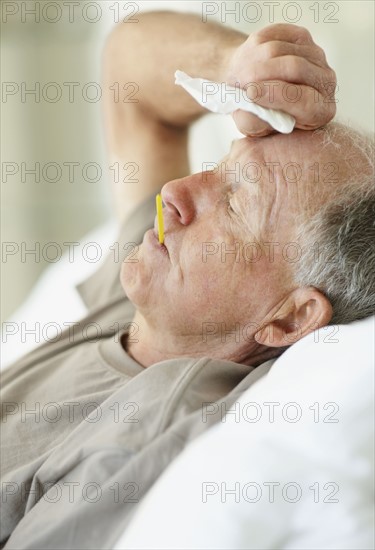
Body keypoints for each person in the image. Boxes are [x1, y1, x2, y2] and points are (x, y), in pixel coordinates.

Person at [1, 11, 374, 550]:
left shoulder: (139, 437)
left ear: (289, 317)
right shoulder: (156, 301)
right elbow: (131, 79)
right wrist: (236, 68)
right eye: (218, 167)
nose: (174, 193)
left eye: (233, 203)